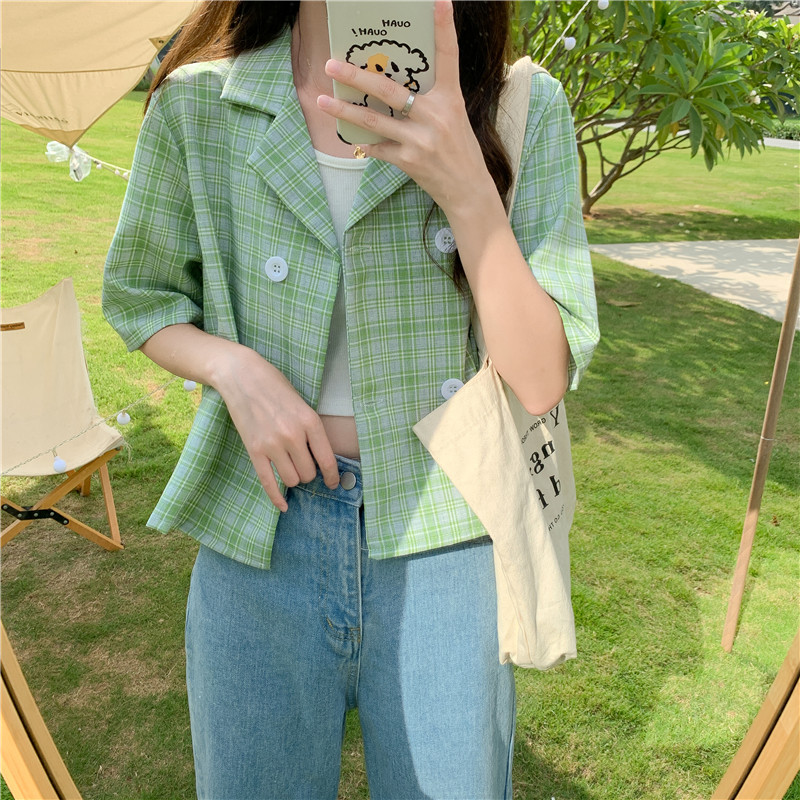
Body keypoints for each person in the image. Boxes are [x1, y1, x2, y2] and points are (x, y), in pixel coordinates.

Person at [102, 1, 599, 797]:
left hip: (447, 529)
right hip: (262, 525)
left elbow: (540, 378)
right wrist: (232, 368)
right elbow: (141, 296)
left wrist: (468, 189)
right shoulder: (201, 101)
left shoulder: (517, 105)